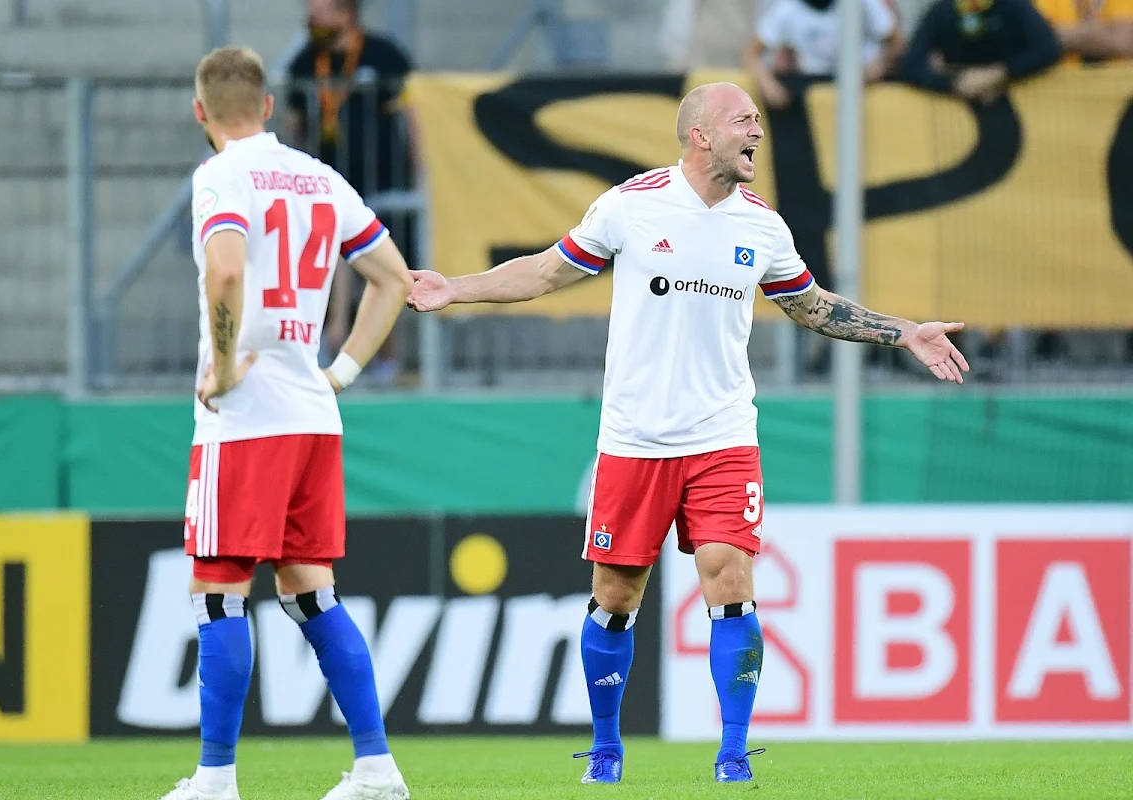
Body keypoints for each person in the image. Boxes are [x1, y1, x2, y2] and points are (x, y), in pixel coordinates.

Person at [406, 82, 970, 785]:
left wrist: (903, 332)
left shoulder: (763, 226)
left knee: (731, 580)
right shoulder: (631, 206)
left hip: (722, 435)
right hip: (636, 438)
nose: (758, 132)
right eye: (744, 121)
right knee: (616, 596)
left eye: (759, 121)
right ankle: (606, 749)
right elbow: (546, 272)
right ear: (700, 134)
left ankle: (733, 754)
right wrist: (455, 288)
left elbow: (812, 306)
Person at [160, 46, 414, 800]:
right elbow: (393, 277)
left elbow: (229, 269)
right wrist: (342, 371)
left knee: (218, 589)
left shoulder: (219, 176)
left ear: (201, 111)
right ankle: (376, 767)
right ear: (269, 106)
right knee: (310, 592)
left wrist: (230, 362)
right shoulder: (320, 177)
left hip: (245, 419)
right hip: (313, 413)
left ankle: (215, 778)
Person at [286, 0, 420, 386]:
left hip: (382, 182)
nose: (313, 19)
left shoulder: (384, 54)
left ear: (346, 13)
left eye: (320, 12)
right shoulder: (305, 62)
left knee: (383, 271)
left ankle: (386, 362)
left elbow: (413, 116)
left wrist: (418, 171)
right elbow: (295, 122)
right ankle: (335, 350)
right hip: (330, 183)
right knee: (331, 265)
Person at [744, 0, 905, 109]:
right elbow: (751, 54)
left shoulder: (864, 4)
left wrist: (880, 64)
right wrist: (768, 85)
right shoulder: (786, 9)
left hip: (862, 91)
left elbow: (898, 43)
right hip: (813, 91)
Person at [901, 0, 1061, 104]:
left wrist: (997, 73)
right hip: (960, 112)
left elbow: (1048, 48)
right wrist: (954, 82)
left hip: (1018, 102)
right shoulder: (941, 11)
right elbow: (910, 67)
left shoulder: (1014, 5)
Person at [1035, 0, 1133, 63]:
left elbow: (1125, 39)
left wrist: (1059, 37)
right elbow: (1033, 39)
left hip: (1116, 88)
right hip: (1054, 87)